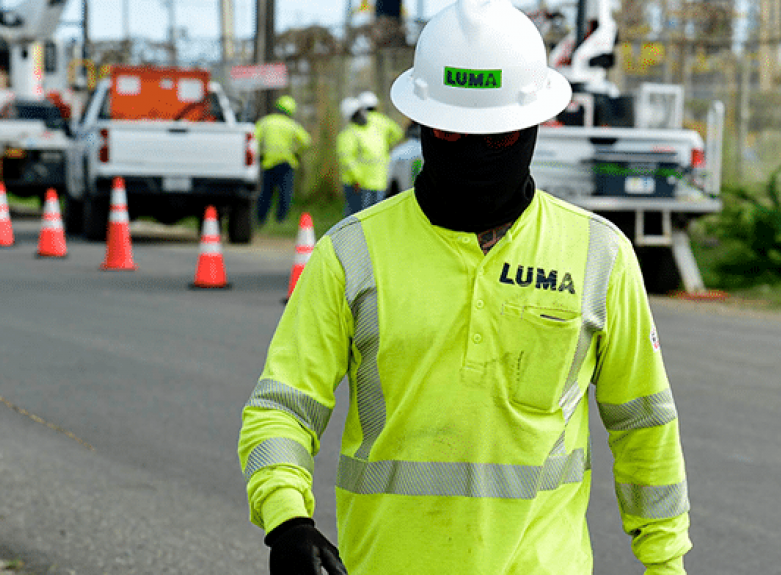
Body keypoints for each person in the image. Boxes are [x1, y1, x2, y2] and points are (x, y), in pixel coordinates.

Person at [237, 0, 691, 573]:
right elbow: (282, 408)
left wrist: (666, 561)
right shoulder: (352, 254)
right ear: (422, 124)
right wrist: (286, 519)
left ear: (534, 127)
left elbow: (643, 422)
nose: (475, 152)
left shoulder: (599, 256)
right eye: (454, 132)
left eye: (496, 137)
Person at [253, 95, 311, 226]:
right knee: (285, 193)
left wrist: (260, 153)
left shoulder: (265, 122)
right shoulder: (292, 125)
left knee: (265, 193)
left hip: (268, 163)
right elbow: (306, 141)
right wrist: (297, 152)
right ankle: (281, 220)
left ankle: (261, 220)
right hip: (286, 163)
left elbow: (253, 138)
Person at [335, 96, 388, 216]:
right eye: (358, 113)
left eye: (362, 112)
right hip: (359, 185)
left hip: (378, 182)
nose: (362, 115)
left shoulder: (373, 130)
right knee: (356, 218)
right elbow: (347, 160)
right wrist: (357, 179)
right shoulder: (348, 134)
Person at [358, 91, 405, 199]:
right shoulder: (384, 120)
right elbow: (398, 133)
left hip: (364, 173)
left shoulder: (360, 123)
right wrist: (388, 143)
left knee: (365, 209)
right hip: (382, 170)